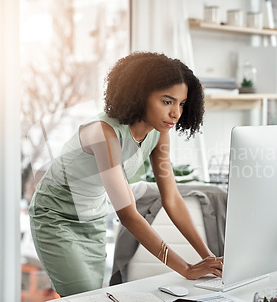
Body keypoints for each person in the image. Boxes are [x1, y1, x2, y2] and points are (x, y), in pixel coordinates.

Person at [29, 52, 222, 297]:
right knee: (84, 296)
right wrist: (186, 269)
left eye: (181, 103)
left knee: (92, 295)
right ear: (139, 96)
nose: (176, 113)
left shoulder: (158, 132)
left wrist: (209, 258)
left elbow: (171, 198)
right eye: (167, 101)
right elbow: (128, 214)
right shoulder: (103, 133)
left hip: (93, 219)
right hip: (55, 218)